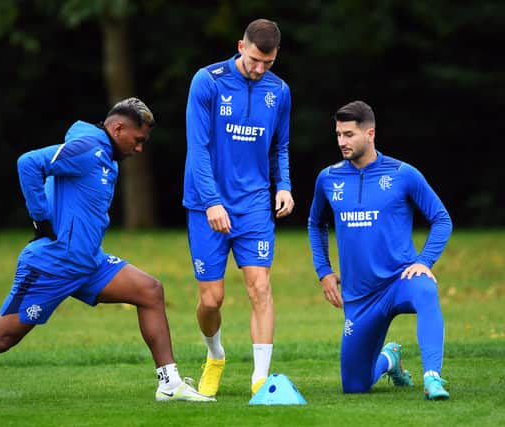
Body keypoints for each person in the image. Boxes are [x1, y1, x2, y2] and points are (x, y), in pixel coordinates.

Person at [0, 97, 215, 407]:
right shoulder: (87, 148)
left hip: (88, 262)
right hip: (53, 264)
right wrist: (41, 221)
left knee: (150, 290)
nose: (140, 148)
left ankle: (169, 384)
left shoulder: (105, 156)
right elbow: (28, 163)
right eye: (138, 139)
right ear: (118, 130)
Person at [307, 100, 453, 400]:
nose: (341, 142)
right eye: (338, 134)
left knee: (426, 290)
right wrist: (323, 272)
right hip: (359, 296)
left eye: (349, 134)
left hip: (401, 280)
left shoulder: (403, 174)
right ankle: (389, 360)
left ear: (370, 133)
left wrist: (425, 261)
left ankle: (432, 378)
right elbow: (314, 224)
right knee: (354, 386)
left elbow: (442, 219)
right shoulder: (328, 178)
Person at [183, 18, 294, 397]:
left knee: (260, 287)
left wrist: (286, 187)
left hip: (254, 205)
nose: (260, 69)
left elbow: (280, 146)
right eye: (255, 60)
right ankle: (215, 356)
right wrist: (212, 201)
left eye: (269, 62)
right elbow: (197, 148)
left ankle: (260, 381)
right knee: (211, 299)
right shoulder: (208, 81)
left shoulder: (279, 92)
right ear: (240, 46)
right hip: (206, 205)